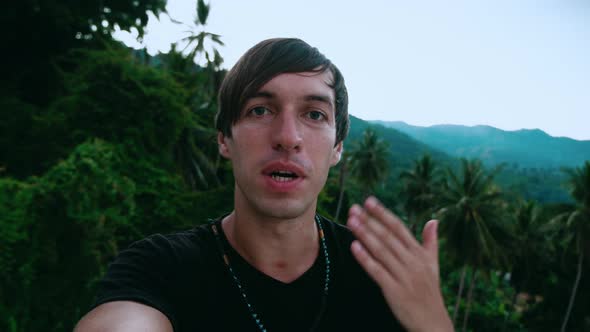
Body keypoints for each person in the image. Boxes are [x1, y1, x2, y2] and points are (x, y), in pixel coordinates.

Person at [75, 38, 453, 332]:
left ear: (337, 147)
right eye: (260, 110)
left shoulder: (381, 276)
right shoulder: (161, 268)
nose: (288, 137)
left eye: (314, 114)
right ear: (224, 138)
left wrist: (434, 322)